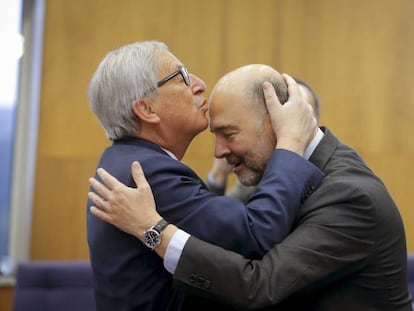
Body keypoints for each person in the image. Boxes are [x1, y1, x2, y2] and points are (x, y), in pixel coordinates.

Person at [89, 64, 412, 310]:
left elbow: (259, 284)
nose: (218, 152)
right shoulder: (281, 175)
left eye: (229, 134)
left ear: (277, 123)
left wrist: (153, 229)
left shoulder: (349, 195)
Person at [86, 41, 324, 310]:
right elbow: (258, 232)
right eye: (182, 78)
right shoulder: (146, 173)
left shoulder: (131, 161)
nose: (199, 84)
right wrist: (291, 141)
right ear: (147, 110)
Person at [206, 78, 321, 202]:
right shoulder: (260, 171)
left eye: (300, 115)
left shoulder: (333, 177)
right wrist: (219, 174)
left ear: (313, 122)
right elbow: (223, 218)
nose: (291, 121)